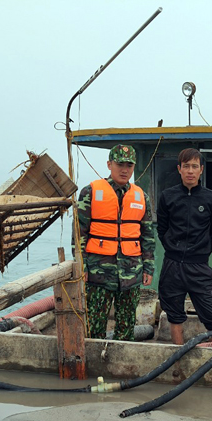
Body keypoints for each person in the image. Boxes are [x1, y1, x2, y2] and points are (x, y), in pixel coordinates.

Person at [77, 144, 154, 340]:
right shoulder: (90, 192)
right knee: (95, 324)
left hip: (132, 272)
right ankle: (95, 365)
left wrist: (148, 268)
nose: (125, 169)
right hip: (98, 272)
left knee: (127, 324)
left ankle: (121, 366)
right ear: (109, 164)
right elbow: (79, 234)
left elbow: (147, 235)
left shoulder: (142, 196)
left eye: (129, 165)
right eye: (120, 164)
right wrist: (82, 266)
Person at [156, 148, 212, 344]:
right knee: (174, 314)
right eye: (186, 166)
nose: (190, 171)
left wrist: (199, 253)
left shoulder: (211, 199)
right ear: (179, 169)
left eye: (195, 166)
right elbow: (162, 229)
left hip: (199, 266)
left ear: (201, 170)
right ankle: (178, 356)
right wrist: (173, 248)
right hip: (172, 265)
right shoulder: (167, 196)